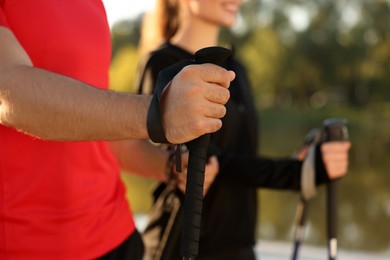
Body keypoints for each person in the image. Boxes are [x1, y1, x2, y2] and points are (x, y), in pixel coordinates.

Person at [0, 1, 236, 259]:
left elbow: (101, 129)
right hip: (23, 246)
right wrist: (157, 113)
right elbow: (8, 93)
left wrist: (170, 166)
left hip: (117, 238)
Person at [134, 0, 351, 259]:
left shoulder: (237, 69)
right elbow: (208, 164)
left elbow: (240, 155)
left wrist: (303, 161)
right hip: (183, 245)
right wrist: (298, 173)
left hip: (241, 246)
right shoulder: (162, 64)